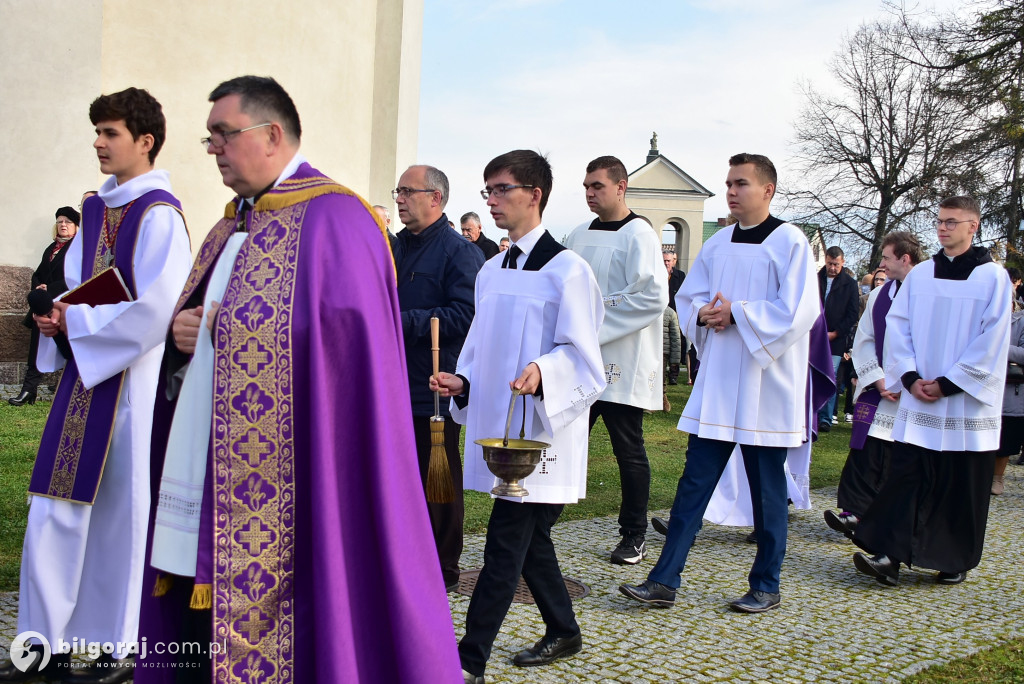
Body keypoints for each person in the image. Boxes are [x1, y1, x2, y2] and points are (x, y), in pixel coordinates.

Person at [138, 76, 460, 683]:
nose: (213, 149)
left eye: (224, 134)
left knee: (309, 601)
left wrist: (222, 327)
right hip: (210, 457)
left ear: (272, 135)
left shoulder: (338, 218)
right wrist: (188, 331)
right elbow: (210, 325)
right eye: (209, 138)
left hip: (303, 462)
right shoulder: (228, 226)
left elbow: (346, 344)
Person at [0, 87, 192, 684]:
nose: (98, 143)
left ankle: (120, 648)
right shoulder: (96, 209)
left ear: (145, 140)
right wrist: (58, 315)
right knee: (52, 509)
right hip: (86, 381)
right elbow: (87, 287)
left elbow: (158, 308)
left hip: (130, 389)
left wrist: (76, 323)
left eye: (110, 133)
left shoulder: (160, 214)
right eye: (97, 132)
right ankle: (41, 647)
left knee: (121, 519)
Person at [618, 153, 819, 614]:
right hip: (722, 381)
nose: (731, 191)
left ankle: (766, 585)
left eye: (741, 183)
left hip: (767, 385)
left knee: (768, 492)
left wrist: (738, 313)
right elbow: (689, 298)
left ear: (767, 190)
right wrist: (704, 315)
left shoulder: (790, 241)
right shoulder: (719, 242)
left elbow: (798, 311)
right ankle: (664, 580)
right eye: (728, 183)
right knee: (693, 485)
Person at [432, 150, 604, 682]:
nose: (492, 200)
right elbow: (481, 348)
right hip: (499, 428)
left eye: (501, 189)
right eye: (487, 190)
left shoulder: (568, 270)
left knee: (505, 544)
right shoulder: (490, 270)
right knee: (530, 543)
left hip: (542, 433)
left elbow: (585, 357)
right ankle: (564, 630)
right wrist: (463, 382)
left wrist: (544, 369)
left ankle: (469, 660)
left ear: (535, 194)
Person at [853, 196, 1010, 587]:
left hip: (965, 405)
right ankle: (889, 556)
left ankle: (952, 559)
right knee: (906, 478)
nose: (942, 228)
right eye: (939, 221)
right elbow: (898, 327)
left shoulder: (993, 278)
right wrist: (909, 377)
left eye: (951, 222)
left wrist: (948, 384)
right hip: (920, 397)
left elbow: (993, 340)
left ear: (973, 226)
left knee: (959, 484)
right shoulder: (921, 275)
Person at [565, 155, 668, 565]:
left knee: (628, 449)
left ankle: (634, 534)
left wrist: (591, 318)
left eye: (598, 186)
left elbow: (652, 296)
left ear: (621, 187)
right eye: (586, 187)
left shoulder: (639, 234)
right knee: (564, 442)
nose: (590, 193)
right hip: (579, 360)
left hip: (622, 361)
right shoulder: (577, 234)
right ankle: (540, 522)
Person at [392, 164, 484, 591]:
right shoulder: (393, 247)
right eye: (397, 191)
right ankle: (399, 556)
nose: (399, 198)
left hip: (432, 385)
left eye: (407, 191)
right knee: (395, 479)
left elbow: (466, 315)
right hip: (390, 383)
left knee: (437, 480)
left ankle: (442, 567)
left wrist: (401, 321)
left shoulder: (459, 252)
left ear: (435, 197)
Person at [824, 231, 923, 539]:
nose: (882, 264)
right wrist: (878, 380)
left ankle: (885, 521)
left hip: (914, 391)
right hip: (881, 388)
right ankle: (854, 512)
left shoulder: (929, 291)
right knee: (865, 451)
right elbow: (865, 339)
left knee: (897, 461)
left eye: (886, 258)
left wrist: (909, 379)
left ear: (905, 258)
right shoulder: (880, 296)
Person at [9, 207, 79, 407]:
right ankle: (29, 389)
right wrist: (38, 288)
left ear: (76, 226)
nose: (63, 225)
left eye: (68, 222)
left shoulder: (78, 249)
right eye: (59, 221)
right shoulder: (51, 248)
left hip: (65, 304)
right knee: (37, 347)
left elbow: (76, 277)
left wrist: (51, 288)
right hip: (44, 304)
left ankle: (65, 384)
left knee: (68, 347)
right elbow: (38, 273)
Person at [817, 246, 859, 432]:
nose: (832, 268)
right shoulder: (815, 279)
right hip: (814, 335)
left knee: (830, 375)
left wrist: (836, 333)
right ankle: (811, 414)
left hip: (836, 339)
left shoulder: (850, 284)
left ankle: (826, 417)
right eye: (829, 264)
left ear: (842, 262)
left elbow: (852, 314)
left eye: (836, 264)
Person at [663, 248, 686, 385]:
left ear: (674, 261)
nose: (666, 263)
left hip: (676, 314)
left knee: (676, 344)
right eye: (664, 260)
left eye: (668, 261)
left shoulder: (680, 276)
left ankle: (673, 374)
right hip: (661, 313)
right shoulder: (656, 273)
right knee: (663, 345)